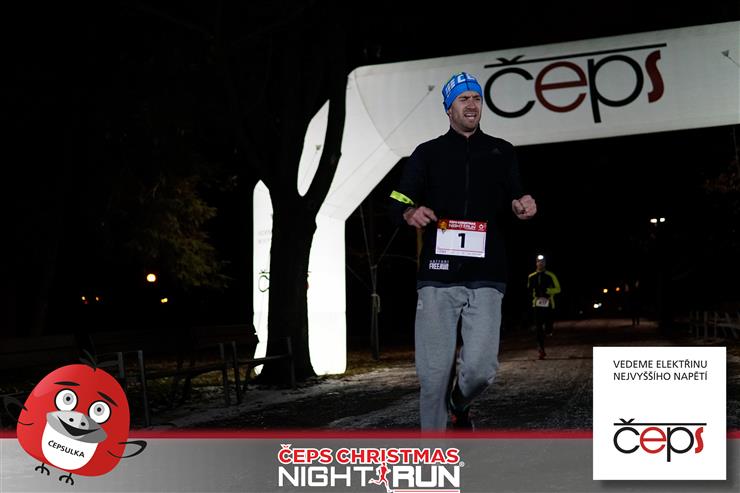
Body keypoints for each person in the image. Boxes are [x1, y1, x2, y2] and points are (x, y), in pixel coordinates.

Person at [389, 72, 537, 431]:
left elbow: (517, 195)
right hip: (438, 275)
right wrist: (409, 211)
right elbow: (397, 199)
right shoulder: (427, 153)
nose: (472, 104)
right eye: (463, 98)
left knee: (481, 370)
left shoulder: (502, 151)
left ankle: (459, 404)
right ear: (449, 108)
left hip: (487, 274)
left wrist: (523, 204)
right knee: (434, 377)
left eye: (476, 98)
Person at [527, 254, 561, 359]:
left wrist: (548, 291)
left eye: (542, 262)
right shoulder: (531, 276)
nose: (540, 263)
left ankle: (549, 330)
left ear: (545, 263)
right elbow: (529, 290)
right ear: (536, 263)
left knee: (548, 326)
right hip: (536, 305)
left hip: (549, 304)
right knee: (538, 328)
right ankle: (541, 349)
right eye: (538, 262)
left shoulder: (551, 275)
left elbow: (558, 289)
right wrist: (534, 295)